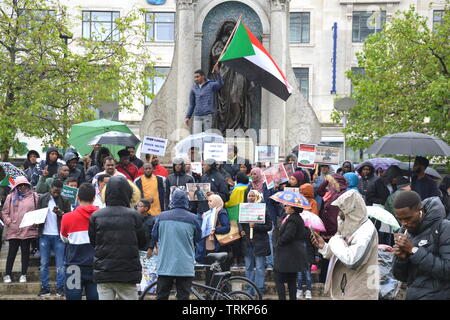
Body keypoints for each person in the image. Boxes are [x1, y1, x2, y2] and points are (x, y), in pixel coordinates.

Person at [310, 190, 379, 300]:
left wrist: (334, 241)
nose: (339, 214)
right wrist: (324, 247)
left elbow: (352, 260)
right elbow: (341, 249)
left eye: (342, 211)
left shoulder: (366, 231)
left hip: (359, 293)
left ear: (353, 212)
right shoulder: (351, 225)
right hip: (344, 290)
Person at [89, 176, 146, 300]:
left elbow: (93, 242)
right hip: (127, 272)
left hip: (104, 272)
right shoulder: (135, 216)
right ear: (128, 192)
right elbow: (142, 243)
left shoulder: (96, 216)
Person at [392, 190, 450, 300]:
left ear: (420, 210)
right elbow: (401, 277)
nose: (404, 223)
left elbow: (447, 270)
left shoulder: (444, 228)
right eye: (400, 219)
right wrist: (401, 259)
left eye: (408, 218)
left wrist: (413, 250)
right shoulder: (404, 231)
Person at [151, 190, 201, 300]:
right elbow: (198, 238)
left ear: (171, 201)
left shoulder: (161, 217)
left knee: (162, 296)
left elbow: (154, 235)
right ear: (186, 201)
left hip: (165, 264)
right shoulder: (194, 218)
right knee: (183, 297)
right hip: (185, 265)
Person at [60, 183, 99, 300]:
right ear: (93, 198)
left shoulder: (67, 217)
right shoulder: (101, 215)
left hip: (74, 267)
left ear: (77, 197)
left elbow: (64, 238)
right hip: (96, 266)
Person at [37, 179, 72, 296]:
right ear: (50, 188)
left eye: (59, 191)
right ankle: (45, 288)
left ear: (61, 190)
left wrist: (61, 214)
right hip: (44, 235)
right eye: (55, 190)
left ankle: (60, 288)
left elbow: (68, 217)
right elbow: (36, 214)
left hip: (59, 236)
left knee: (61, 264)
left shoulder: (65, 200)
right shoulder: (42, 198)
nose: (56, 193)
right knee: (43, 263)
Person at [2, 176, 38, 284]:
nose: (22, 187)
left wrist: (35, 222)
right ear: (16, 186)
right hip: (14, 229)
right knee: (11, 253)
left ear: (28, 185)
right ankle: (7, 274)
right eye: (19, 185)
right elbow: (4, 212)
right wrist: (9, 223)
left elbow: (37, 211)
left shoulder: (34, 197)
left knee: (25, 253)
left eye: (24, 185)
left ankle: (23, 274)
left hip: (28, 229)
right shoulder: (10, 197)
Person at [273, 202, 309, 300]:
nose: (285, 207)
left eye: (287, 206)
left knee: (279, 279)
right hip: (292, 256)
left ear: (293, 209)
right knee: (291, 281)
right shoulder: (296, 218)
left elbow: (288, 235)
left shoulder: (293, 219)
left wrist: (279, 242)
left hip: (287, 256)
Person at [239, 190, 272, 296]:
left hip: (260, 242)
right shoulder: (244, 209)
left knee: (259, 267)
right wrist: (241, 231)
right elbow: (240, 223)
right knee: (248, 266)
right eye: (250, 195)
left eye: (253, 195)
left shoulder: (263, 209)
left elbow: (269, 226)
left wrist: (255, 226)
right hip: (247, 242)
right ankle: (249, 288)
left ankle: (259, 288)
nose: (251, 197)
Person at [316, 174, 348, 283]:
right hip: (327, 229)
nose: (330, 185)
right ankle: (324, 279)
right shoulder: (330, 193)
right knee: (326, 256)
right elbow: (319, 190)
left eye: (332, 182)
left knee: (334, 256)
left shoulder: (344, 195)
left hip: (337, 231)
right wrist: (326, 180)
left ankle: (332, 280)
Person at [184, 66, 223, 134]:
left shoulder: (210, 85)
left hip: (207, 115)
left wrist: (217, 72)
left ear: (203, 76)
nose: (195, 79)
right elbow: (192, 104)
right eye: (195, 77)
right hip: (197, 116)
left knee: (207, 136)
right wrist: (188, 116)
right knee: (197, 136)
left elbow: (220, 84)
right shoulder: (194, 88)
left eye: (197, 77)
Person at [225, 172, 250, 269]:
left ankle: (236, 260)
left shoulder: (236, 189)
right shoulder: (250, 188)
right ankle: (244, 260)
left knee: (235, 240)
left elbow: (229, 203)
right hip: (247, 215)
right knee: (245, 239)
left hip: (235, 216)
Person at [136, 199, 158, 294]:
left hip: (148, 249)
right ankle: (139, 289)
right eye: (137, 206)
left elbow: (154, 235)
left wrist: (151, 248)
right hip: (136, 249)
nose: (138, 208)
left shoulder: (153, 220)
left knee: (150, 270)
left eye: (140, 206)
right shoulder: (135, 219)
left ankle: (150, 289)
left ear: (146, 208)